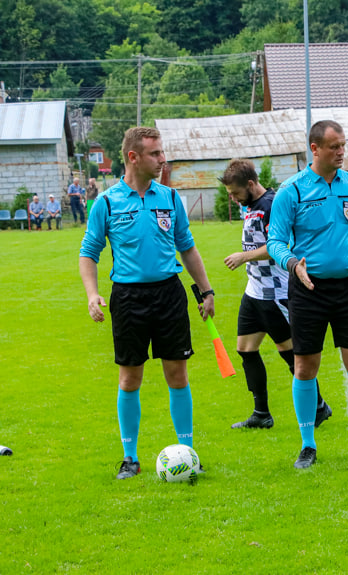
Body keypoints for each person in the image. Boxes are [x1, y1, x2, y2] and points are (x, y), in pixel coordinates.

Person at [79, 126, 216, 480]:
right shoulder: (107, 202)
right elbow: (88, 253)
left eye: (161, 152)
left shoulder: (170, 198)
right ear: (133, 157)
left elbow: (187, 247)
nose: (162, 159)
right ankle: (130, 458)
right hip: (128, 298)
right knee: (130, 379)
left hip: (169, 294)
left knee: (177, 374)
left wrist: (206, 290)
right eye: (155, 154)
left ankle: (187, 451)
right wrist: (93, 294)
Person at [267, 120, 348, 469]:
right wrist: (292, 263)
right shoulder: (292, 191)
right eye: (334, 147)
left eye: (343, 145)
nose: (341, 152)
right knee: (305, 366)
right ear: (314, 149)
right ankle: (308, 444)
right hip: (308, 290)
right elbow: (275, 241)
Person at [219, 159, 332, 430]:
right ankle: (261, 414)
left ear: (250, 184)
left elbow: (277, 245)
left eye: (235, 192)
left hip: (276, 293)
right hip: (254, 291)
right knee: (246, 349)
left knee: (291, 353)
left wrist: (243, 256)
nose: (233, 199)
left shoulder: (271, 205)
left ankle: (318, 406)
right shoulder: (250, 206)